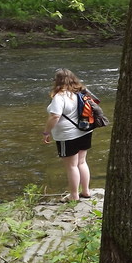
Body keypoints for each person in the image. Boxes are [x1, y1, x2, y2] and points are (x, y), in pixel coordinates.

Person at [43, 68, 94, 202]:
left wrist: (46, 132)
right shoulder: (81, 92)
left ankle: (73, 195)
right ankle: (86, 191)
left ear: (57, 81)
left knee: (72, 166)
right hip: (85, 131)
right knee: (82, 162)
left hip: (67, 135)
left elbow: (55, 116)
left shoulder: (60, 97)